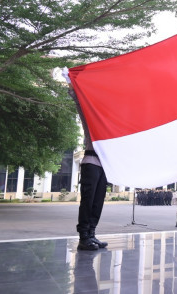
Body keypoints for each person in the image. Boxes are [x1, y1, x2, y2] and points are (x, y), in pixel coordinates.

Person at [68, 85, 108, 251]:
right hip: (91, 163)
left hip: (104, 166)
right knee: (88, 201)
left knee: (98, 202)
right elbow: (81, 109)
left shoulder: (109, 126)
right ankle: (84, 237)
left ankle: (92, 233)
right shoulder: (91, 123)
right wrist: (74, 91)